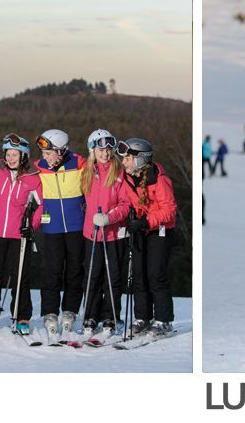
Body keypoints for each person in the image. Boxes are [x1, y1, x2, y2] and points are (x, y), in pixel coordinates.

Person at [0, 134, 43, 337]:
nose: (11, 158)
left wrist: (31, 225)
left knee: (20, 277)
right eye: (8, 153)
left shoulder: (33, 176)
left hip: (18, 235)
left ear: (24, 155)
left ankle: (22, 317)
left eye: (16, 154)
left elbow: (42, 206)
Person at [117, 138, 178, 336]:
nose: (123, 162)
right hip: (140, 230)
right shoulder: (127, 177)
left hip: (160, 230)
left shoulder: (158, 178)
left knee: (155, 275)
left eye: (127, 158)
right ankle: (143, 316)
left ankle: (164, 320)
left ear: (140, 159)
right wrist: (131, 219)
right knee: (139, 275)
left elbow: (170, 210)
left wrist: (145, 222)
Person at [34, 129, 86, 336]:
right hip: (52, 226)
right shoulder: (39, 168)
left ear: (61, 151)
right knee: (52, 270)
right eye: (43, 153)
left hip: (77, 226)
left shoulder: (80, 165)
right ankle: (49, 311)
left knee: (74, 270)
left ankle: (71, 310)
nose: (44, 157)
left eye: (48, 153)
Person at [80, 129, 132, 335]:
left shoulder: (119, 172)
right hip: (91, 234)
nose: (106, 153)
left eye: (109, 149)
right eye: (101, 149)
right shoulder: (87, 172)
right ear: (93, 150)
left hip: (113, 234)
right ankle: (91, 315)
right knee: (92, 276)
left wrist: (110, 217)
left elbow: (126, 204)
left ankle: (110, 315)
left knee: (112, 276)